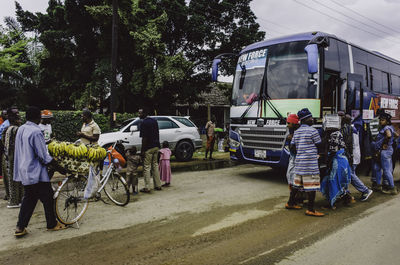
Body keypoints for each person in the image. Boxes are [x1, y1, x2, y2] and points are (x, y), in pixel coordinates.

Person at [13, 106, 67, 238]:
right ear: (38, 117)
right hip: (36, 172)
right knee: (48, 197)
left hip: (24, 170)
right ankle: (51, 224)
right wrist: (60, 168)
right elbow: (43, 156)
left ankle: (20, 227)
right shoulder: (36, 132)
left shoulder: (21, 129)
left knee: (29, 198)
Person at [287, 108, 324, 217]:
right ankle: (311, 210)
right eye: (310, 118)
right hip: (310, 164)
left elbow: (292, 146)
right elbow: (319, 144)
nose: (312, 120)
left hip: (299, 163)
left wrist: (301, 151)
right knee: (311, 187)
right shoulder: (313, 131)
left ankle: (290, 203)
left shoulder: (296, 132)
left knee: (296, 185)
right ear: (305, 120)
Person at [320, 128, 351, 208]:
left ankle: (332, 203)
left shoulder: (334, 135)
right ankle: (346, 198)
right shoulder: (336, 133)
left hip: (338, 162)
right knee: (338, 181)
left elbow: (332, 151)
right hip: (342, 160)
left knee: (332, 181)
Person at [1, 107, 23, 208]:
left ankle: (15, 200)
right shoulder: (15, 129)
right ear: (10, 117)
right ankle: (15, 201)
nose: (18, 115)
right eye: (15, 114)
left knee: (13, 180)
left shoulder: (8, 128)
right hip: (13, 158)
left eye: (18, 113)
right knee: (15, 180)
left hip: (10, 158)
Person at [372, 112, 397, 195]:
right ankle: (378, 185)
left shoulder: (386, 128)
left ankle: (392, 188)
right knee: (377, 167)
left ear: (387, 121)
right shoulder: (390, 127)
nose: (380, 121)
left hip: (385, 152)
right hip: (383, 151)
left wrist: (385, 144)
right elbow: (396, 135)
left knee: (386, 170)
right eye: (380, 120)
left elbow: (389, 136)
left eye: (382, 120)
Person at [349, 116, 373, 201]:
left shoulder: (351, 130)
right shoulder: (353, 129)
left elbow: (352, 145)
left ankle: (365, 190)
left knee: (350, 174)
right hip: (354, 155)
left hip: (353, 156)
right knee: (349, 174)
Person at [139, 108, 162, 193]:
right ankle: (158, 185)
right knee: (155, 165)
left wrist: (142, 151)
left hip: (148, 148)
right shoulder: (154, 121)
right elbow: (157, 133)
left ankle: (147, 187)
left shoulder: (144, 123)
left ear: (144, 113)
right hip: (156, 146)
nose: (139, 115)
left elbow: (144, 138)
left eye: (140, 113)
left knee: (147, 167)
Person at [285, 114, 304, 208]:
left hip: (298, 157)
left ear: (294, 123)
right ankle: (295, 198)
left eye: (289, 123)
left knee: (294, 178)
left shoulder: (299, 132)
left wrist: (292, 138)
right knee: (289, 176)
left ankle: (295, 200)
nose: (287, 125)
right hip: (292, 156)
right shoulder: (291, 131)